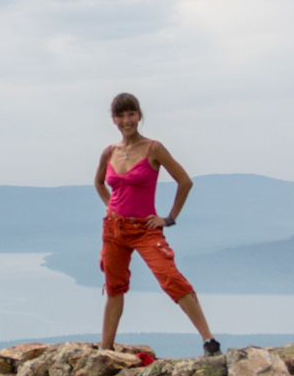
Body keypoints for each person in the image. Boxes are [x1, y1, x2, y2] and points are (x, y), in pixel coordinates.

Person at [94, 92, 221, 357]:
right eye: (121, 115)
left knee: (171, 278)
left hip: (145, 229)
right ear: (113, 119)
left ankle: (209, 341)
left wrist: (169, 218)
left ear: (139, 116)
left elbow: (185, 181)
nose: (126, 120)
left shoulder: (154, 149)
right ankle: (105, 349)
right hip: (113, 229)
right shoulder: (109, 152)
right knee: (114, 288)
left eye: (131, 114)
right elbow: (98, 182)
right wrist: (110, 205)